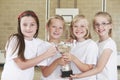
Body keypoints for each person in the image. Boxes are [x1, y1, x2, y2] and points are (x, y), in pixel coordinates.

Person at [1, 10, 57, 80]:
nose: (28, 28)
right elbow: (22, 65)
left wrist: (70, 40)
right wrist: (46, 55)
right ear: (20, 26)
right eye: (24, 24)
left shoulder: (38, 43)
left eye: (32, 24)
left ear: (37, 26)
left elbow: (55, 45)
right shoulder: (15, 39)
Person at [70, 12, 118, 80]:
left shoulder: (109, 44)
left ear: (110, 25)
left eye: (104, 23)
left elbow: (99, 69)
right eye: (97, 24)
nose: (100, 27)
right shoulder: (96, 43)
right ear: (94, 27)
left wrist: (78, 76)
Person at [62, 15, 98, 80]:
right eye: (75, 26)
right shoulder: (72, 44)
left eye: (82, 26)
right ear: (72, 28)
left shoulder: (91, 45)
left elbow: (88, 68)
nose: (78, 29)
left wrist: (73, 58)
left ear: (87, 28)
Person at [40, 15, 69, 80]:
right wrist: (57, 62)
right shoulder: (43, 46)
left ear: (63, 30)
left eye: (60, 28)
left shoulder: (65, 46)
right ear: (47, 27)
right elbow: (45, 73)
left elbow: (67, 70)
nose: (57, 30)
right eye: (54, 27)